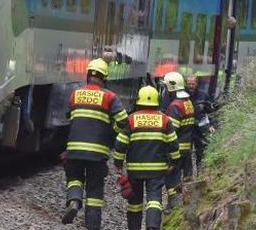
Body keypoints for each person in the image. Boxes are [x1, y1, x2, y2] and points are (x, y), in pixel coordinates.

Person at [61, 58, 128, 229]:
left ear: (88, 75)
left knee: (74, 178)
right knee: (94, 193)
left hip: (74, 150)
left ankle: (74, 201)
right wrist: (113, 130)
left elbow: (69, 117)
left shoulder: (75, 94)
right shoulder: (110, 97)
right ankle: (92, 226)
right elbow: (123, 122)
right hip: (97, 153)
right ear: (104, 77)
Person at [114, 86, 179, 230]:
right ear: (157, 102)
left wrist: (118, 162)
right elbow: (173, 144)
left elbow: (120, 144)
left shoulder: (131, 120)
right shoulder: (165, 120)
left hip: (135, 170)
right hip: (157, 170)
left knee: (135, 203)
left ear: (139, 101)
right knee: (154, 200)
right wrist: (174, 163)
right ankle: (152, 227)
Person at [162, 72, 195, 210]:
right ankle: (185, 203)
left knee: (171, 178)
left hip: (177, 148)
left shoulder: (175, 106)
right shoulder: (188, 103)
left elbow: (172, 131)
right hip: (187, 147)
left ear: (171, 88)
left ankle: (173, 205)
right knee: (186, 175)